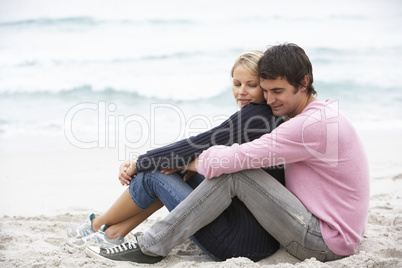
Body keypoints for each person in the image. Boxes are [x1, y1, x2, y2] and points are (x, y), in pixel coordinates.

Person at [85, 43, 370, 264]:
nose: (270, 100)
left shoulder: (307, 126)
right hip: (323, 229)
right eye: (267, 91)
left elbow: (236, 158)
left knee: (235, 173)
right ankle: (110, 231)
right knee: (223, 169)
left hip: (323, 241)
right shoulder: (317, 114)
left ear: (304, 82)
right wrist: (185, 164)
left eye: (278, 91)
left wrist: (187, 161)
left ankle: (148, 246)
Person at [67, 51, 285, 262]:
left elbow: (202, 141)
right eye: (237, 84)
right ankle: (112, 233)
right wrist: (183, 166)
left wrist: (140, 162)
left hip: (235, 243)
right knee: (173, 170)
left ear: (265, 86)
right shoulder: (268, 117)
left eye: (251, 85)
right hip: (257, 240)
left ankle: (97, 224)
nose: (242, 92)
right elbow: (210, 148)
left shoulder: (256, 117)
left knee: (153, 174)